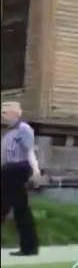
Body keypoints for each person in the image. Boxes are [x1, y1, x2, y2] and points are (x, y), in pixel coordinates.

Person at [1, 101, 42, 256]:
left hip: (17, 169)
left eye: (5, 111)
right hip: (7, 170)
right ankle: (29, 247)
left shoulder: (24, 129)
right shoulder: (9, 131)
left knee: (19, 209)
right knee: (17, 209)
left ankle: (29, 247)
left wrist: (36, 170)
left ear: (16, 113)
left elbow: (30, 151)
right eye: (2, 111)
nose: (3, 114)